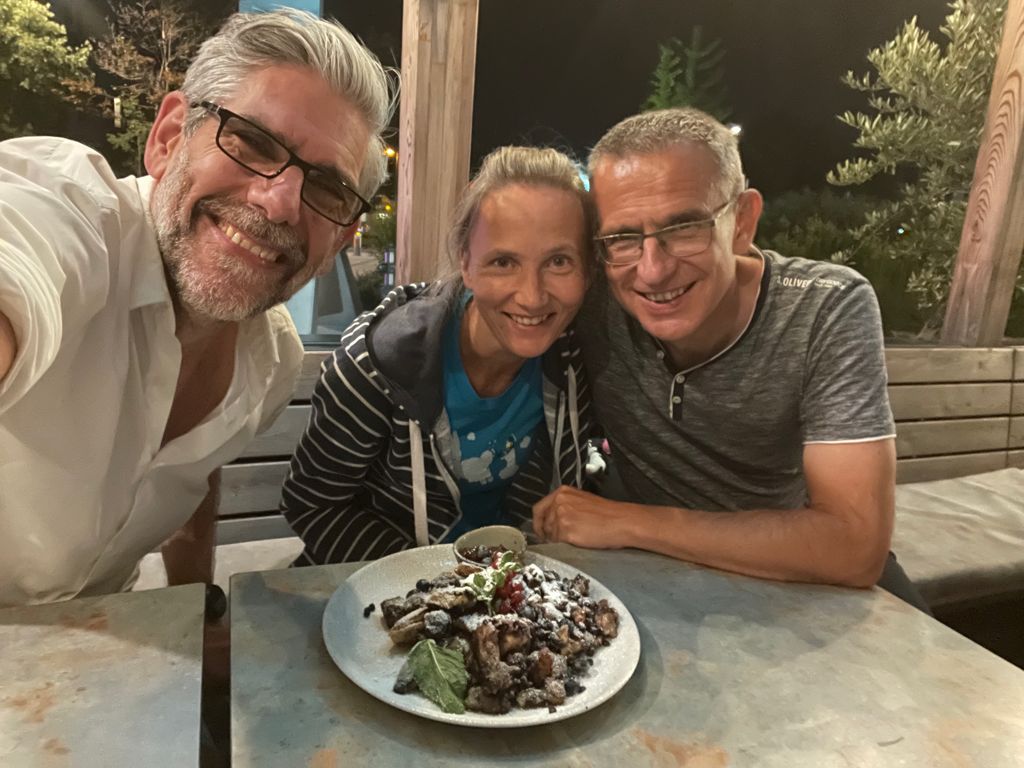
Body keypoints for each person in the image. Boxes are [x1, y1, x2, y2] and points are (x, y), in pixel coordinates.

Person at [0, 9, 395, 606]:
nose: (280, 202)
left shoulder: (270, 361)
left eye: (327, 187)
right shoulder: (71, 217)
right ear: (167, 139)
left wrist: (199, 611)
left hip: (105, 638)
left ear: (340, 239)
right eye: (252, 141)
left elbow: (191, 468)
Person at [533, 107, 910, 594]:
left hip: (795, 572)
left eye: (685, 228)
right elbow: (497, 293)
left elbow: (853, 546)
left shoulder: (825, 308)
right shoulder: (593, 294)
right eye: (623, 237)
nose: (652, 270)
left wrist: (629, 522)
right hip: (653, 573)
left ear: (743, 221)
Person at [281, 146, 594, 564]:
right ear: (466, 263)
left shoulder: (575, 358)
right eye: (503, 261)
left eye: (559, 261)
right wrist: (434, 579)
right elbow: (312, 506)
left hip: (510, 576)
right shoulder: (375, 365)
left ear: (588, 269)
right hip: (383, 579)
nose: (532, 296)